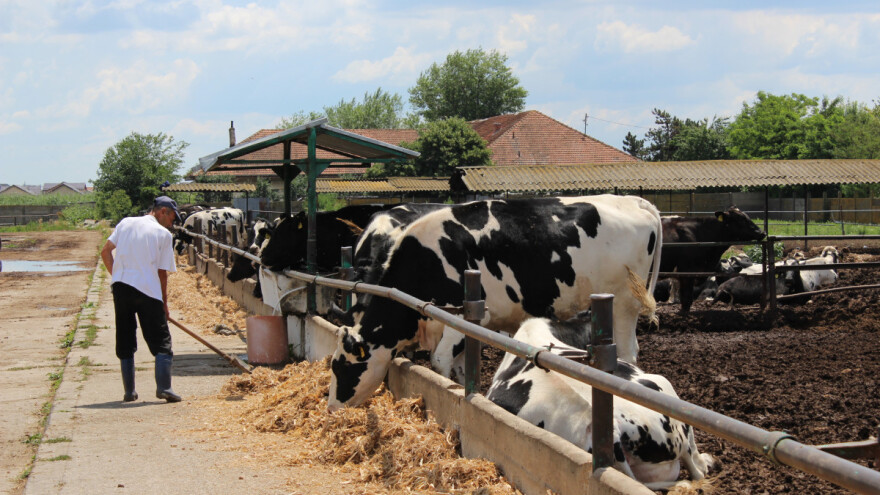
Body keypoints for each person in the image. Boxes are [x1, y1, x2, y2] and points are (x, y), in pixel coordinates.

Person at [100, 196, 182, 403]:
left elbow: (105, 251)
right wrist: (164, 304)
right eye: (172, 218)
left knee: (125, 337)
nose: (171, 223)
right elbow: (162, 273)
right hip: (148, 291)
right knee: (162, 341)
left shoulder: (126, 223)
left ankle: (129, 392)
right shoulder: (163, 234)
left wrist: (118, 275)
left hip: (121, 288)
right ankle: (164, 387)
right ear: (162, 211)